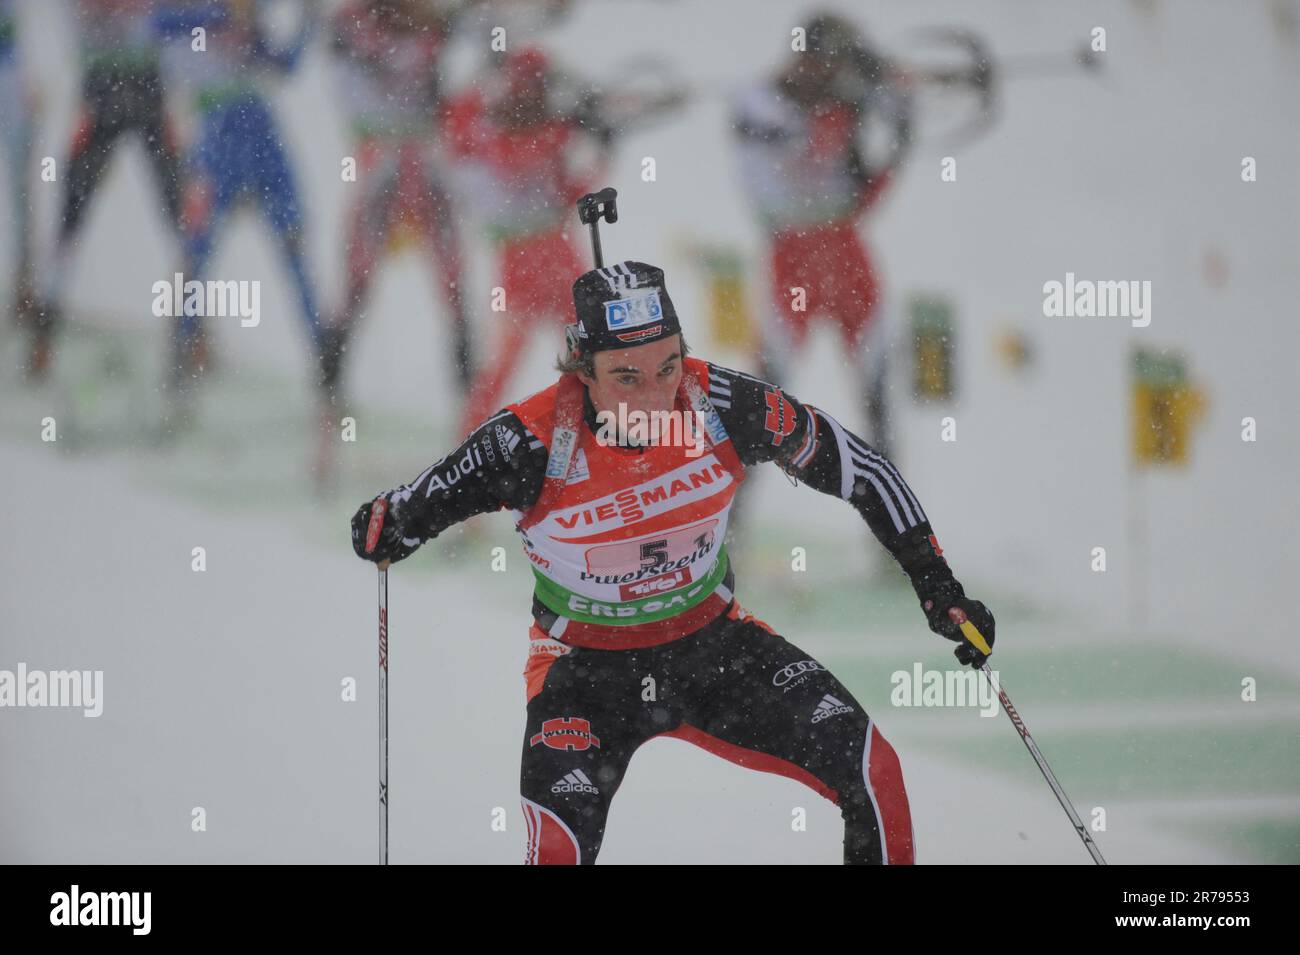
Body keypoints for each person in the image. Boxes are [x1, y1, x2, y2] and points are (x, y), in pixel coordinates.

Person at [350, 259, 994, 864]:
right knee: (558, 852)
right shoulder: (525, 442)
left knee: (875, 773)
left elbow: (863, 470)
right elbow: (403, 514)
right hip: (583, 675)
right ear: (582, 368)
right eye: (627, 377)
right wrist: (386, 527)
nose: (655, 397)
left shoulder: (725, 407)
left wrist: (939, 587)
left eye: (668, 367)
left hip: (715, 651)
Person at [731, 11, 911, 461]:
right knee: (766, 398)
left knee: (877, 397)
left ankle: (892, 520)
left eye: (836, 66)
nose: (827, 74)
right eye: (822, 62)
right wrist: (836, 103)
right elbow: (767, 133)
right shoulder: (763, 102)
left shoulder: (846, 107)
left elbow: (865, 193)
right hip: (793, 260)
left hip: (846, 253)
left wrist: (890, 117)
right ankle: (727, 519)